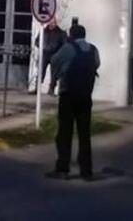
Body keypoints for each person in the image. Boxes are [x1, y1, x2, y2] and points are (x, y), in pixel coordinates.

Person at [46, 23, 100, 181]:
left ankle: (62, 169)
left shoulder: (68, 48)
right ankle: (86, 171)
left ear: (71, 35)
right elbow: (97, 64)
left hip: (68, 94)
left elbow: (54, 60)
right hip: (85, 96)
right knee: (84, 134)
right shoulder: (93, 49)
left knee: (64, 133)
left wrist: (59, 74)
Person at [30, 18, 68, 95]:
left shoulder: (61, 33)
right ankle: (37, 89)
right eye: (51, 22)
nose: (52, 24)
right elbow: (37, 41)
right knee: (40, 71)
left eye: (54, 22)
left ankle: (51, 90)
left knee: (54, 73)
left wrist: (59, 53)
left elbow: (64, 44)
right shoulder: (43, 31)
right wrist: (42, 47)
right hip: (45, 53)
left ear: (56, 23)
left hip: (55, 54)